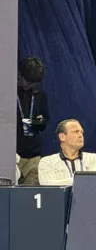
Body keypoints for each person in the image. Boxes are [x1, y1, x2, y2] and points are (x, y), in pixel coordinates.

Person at [36, 120, 96, 186]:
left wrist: (64, 182)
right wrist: (83, 180)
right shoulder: (47, 162)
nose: (80, 135)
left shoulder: (94, 158)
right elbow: (48, 185)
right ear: (62, 137)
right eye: (76, 132)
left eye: (81, 132)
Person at [16, 56, 49, 186]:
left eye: (34, 83)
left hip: (33, 156)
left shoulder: (40, 95)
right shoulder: (7, 93)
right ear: (19, 75)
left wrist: (40, 122)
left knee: (30, 194)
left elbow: (45, 119)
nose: (30, 86)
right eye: (28, 82)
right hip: (13, 155)